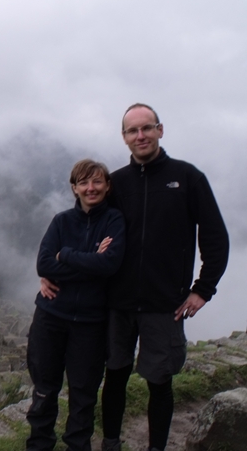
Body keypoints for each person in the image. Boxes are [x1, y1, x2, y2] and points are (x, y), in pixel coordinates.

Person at [42, 104, 230, 451]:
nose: (140, 136)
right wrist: (49, 271)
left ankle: (156, 447)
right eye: (132, 131)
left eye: (146, 128)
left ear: (160, 130)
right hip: (117, 302)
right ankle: (111, 443)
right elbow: (82, 228)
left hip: (165, 303)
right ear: (124, 137)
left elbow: (215, 236)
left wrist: (202, 289)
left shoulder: (188, 178)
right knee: (115, 375)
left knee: (160, 381)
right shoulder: (117, 183)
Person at [26, 159, 125, 451]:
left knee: (83, 393)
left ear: (107, 186)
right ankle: (39, 445)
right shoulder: (61, 221)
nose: (90, 188)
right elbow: (43, 264)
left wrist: (65, 255)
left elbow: (109, 264)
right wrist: (89, 259)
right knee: (44, 388)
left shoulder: (114, 221)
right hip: (50, 316)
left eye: (97, 182)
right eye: (84, 183)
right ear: (74, 188)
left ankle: (77, 446)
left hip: (90, 323)